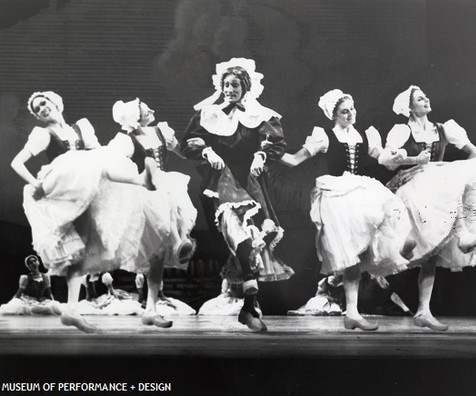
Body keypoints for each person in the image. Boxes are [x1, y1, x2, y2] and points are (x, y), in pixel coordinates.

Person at [10, 91, 165, 332]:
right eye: (37, 108)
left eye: (44, 103)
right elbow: (16, 162)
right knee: (83, 245)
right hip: (64, 184)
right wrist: (35, 183)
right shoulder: (43, 134)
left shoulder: (81, 127)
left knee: (83, 249)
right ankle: (141, 180)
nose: (42, 108)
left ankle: (71, 310)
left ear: (55, 102)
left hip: (84, 187)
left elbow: (98, 154)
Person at [275, 89, 413, 331]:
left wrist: (398, 156)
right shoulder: (325, 136)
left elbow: (383, 159)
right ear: (334, 115)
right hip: (337, 195)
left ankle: (354, 311)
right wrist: (270, 151)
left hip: (360, 192)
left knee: (368, 244)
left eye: (352, 109)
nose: (350, 114)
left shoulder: (365, 135)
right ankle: (353, 312)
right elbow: (294, 160)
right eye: (344, 111)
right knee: (350, 255)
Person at [181, 58, 294, 332]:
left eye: (235, 85)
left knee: (249, 243)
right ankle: (249, 295)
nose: (230, 89)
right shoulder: (208, 113)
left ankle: (248, 305)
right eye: (226, 84)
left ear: (245, 87)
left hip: (251, 185)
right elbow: (190, 142)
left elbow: (274, 141)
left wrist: (261, 154)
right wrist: (207, 151)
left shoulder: (261, 115)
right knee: (237, 234)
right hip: (219, 184)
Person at [378, 85, 476, 331]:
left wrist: (465, 171)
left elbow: (475, 154)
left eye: (426, 96)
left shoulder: (444, 129)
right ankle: (460, 237)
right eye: (420, 98)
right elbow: (386, 160)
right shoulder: (402, 131)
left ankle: (423, 311)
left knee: (430, 257)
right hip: (411, 190)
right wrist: (414, 161)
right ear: (410, 107)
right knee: (410, 250)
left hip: (437, 194)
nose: (426, 99)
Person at [109, 98, 197, 326]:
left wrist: (195, 145)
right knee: (155, 254)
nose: (153, 109)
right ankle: (179, 242)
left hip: (166, 186)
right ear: (137, 116)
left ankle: (151, 308)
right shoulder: (126, 141)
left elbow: (183, 153)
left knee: (157, 257)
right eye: (147, 108)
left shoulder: (161, 131)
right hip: (144, 195)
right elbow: (112, 168)